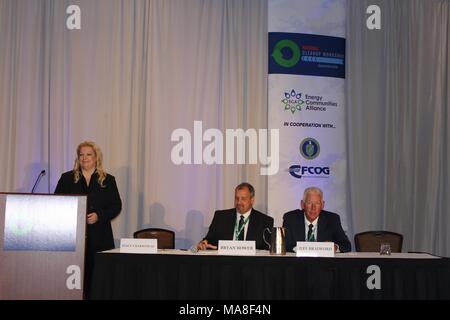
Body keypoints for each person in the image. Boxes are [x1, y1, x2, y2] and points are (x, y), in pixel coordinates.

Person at [54, 141, 122, 296]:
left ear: (96, 157)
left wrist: (99, 215)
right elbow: (57, 203)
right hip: (72, 238)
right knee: (76, 282)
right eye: (81, 155)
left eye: (88, 154)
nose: (84, 158)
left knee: (97, 280)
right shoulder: (66, 178)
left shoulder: (108, 180)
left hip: (100, 237)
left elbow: (116, 206)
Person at [197, 182, 273, 250]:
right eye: (236, 198)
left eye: (243, 199)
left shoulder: (265, 221)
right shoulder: (220, 217)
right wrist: (203, 244)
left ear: (252, 200)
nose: (239, 202)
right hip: (224, 263)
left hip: (252, 264)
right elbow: (208, 240)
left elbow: (267, 249)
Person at [282, 186, 351, 253]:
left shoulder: (332, 219)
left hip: (323, 263)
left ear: (322, 205)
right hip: (297, 262)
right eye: (309, 203)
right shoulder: (290, 218)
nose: (313, 208)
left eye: (317, 203)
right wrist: (302, 249)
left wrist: (335, 247)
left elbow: (346, 245)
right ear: (302, 204)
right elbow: (284, 244)